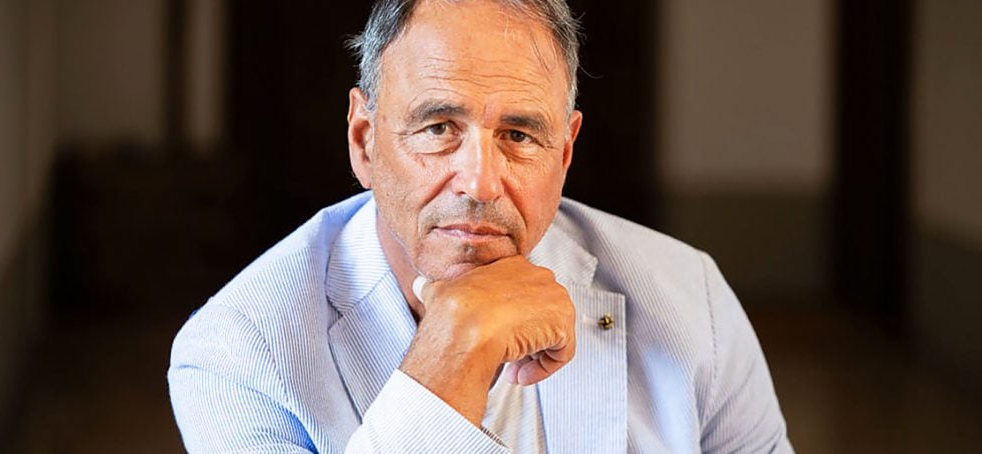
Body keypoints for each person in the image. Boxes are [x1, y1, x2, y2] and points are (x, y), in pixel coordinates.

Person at [168, 0, 793, 452]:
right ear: (364, 141)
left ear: (565, 153)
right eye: (439, 128)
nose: (481, 183)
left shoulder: (691, 299)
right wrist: (451, 355)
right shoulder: (237, 353)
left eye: (519, 135)